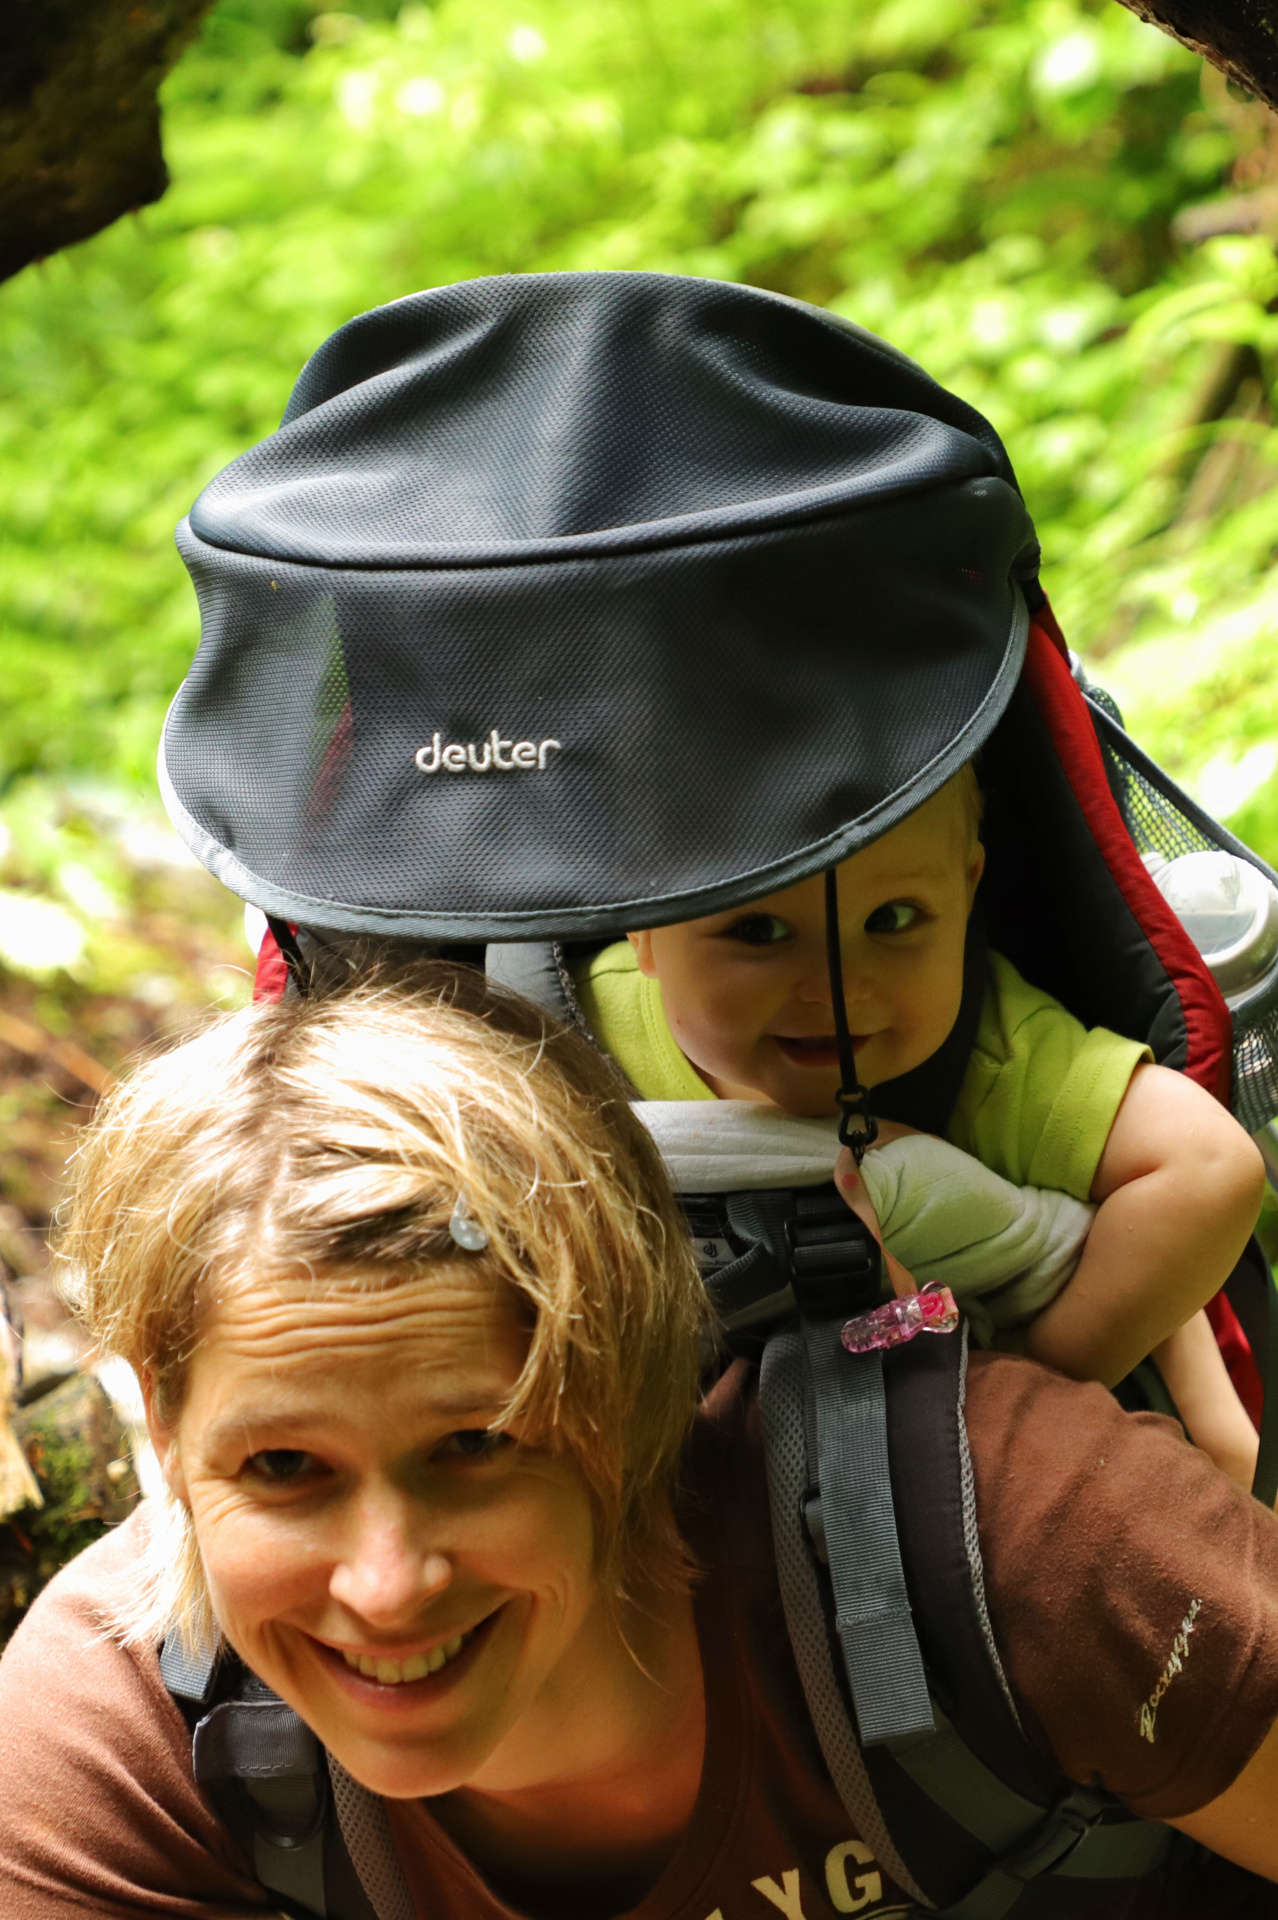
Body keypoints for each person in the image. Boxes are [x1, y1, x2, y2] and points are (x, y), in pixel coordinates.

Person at [2, 969, 1278, 1919]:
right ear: (165, 1429)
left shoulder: (1011, 1536)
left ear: (624, 1390)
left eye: (476, 1445)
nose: (386, 1586)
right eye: (284, 1469)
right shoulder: (116, 1746)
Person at [577, 764, 1268, 1488]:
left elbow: (1209, 1169)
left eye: (891, 919)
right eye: (759, 929)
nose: (836, 989)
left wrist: (1036, 1370)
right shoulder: (567, 1042)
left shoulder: (992, 1060)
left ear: (966, 891)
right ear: (645, 924)